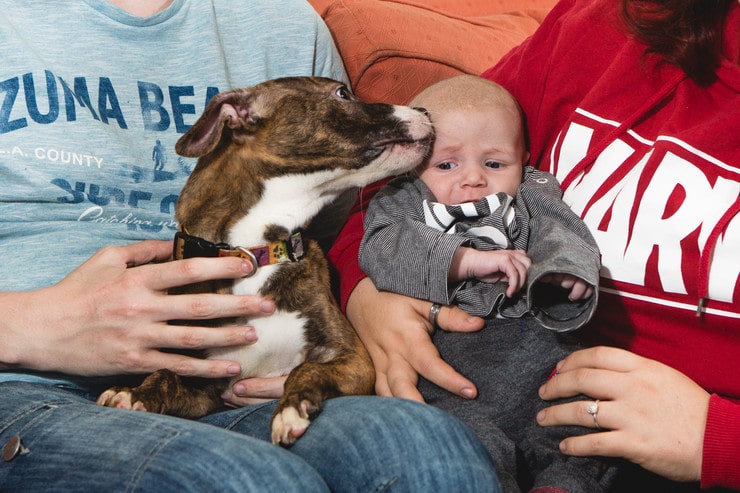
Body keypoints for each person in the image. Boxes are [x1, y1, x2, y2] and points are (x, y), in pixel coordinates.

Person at [0, 1, 501, 491]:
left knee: (426, 444)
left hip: (236, 395)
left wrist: (368, 296)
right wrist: (37, 327)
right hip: (29, 387)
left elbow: (343, 228)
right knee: (252, 479)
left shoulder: (283, 23)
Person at [328, 0, 740, 490]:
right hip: (463, 384)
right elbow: (391, 188)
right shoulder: (604, 23)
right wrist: (369, 296)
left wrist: (717, 440)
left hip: (660, 459)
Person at [358, 75, 616, 492]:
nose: (473, 179)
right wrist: (465, 259)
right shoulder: (403, 200)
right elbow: (381, 248)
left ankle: (562, 484)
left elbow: (560, 231)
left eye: (494, 164)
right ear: (411, 163)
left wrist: (564, 271)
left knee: (583, 430)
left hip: (541, 362)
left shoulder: (533, 193)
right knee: (463, 446)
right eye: (446, 164)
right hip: (453, 373)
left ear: (524, 159)